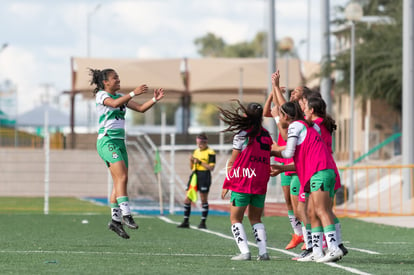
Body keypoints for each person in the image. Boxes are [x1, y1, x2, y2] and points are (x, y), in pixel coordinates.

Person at [89, 68, 165, 239]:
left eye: (118, 77)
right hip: (107, 141)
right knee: (122, 177)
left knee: (120, 180)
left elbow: (140, 108)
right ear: (105, 82)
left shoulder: (120, 96)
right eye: (114, 78)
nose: (118, 80)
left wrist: (154, 99)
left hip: (119, 142)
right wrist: (133, 92)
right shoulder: (101, 95)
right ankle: (127, 214)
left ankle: (115, 221)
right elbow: (114, 104)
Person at [271, 101, 344, 263]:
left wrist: (269, 150)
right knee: (312, 213)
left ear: (285, 116)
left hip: (320, 171)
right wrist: (280, 165)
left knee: (321, 211)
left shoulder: (295, 126)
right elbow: (301, 154)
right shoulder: (309, 126)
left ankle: (334, 248)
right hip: (319, 172)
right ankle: (317, 252)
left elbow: (289, 151)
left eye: (279, 113)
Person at [219, 101, 274, 261]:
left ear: (246, 115)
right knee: (256, 218)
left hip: (242, 181)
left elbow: (233, 162)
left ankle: (245, 252)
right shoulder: (266, 135)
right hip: (260, 182)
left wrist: (226, 184)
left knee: (236, 219)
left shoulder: (243, 134)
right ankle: (263, 253)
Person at [263, 73, 303, 251]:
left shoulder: (296, 116)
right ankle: (298, 233)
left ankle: (311, 238)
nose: (293, 93)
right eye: (293, 92)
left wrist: (276, 87)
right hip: (284, 157)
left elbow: (284, 129)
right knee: (288, 201)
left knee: (300, 204)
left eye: (298, 92)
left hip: (294, 157)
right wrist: (273, 91)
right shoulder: (288, 110)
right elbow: (267, 112)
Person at [177, 133, 216, 229]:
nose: (199, 145)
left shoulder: (210, 152)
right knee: (187, 198)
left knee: (203, 199)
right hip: (195, 175)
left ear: (205, 142)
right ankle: (186, 221)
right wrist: (191, 160)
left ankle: (203, 222)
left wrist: (199, 162)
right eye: (198, 143)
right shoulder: (196, 151)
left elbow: (211, 167)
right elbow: (191, 167)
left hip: (204, 175)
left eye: (201, 143)